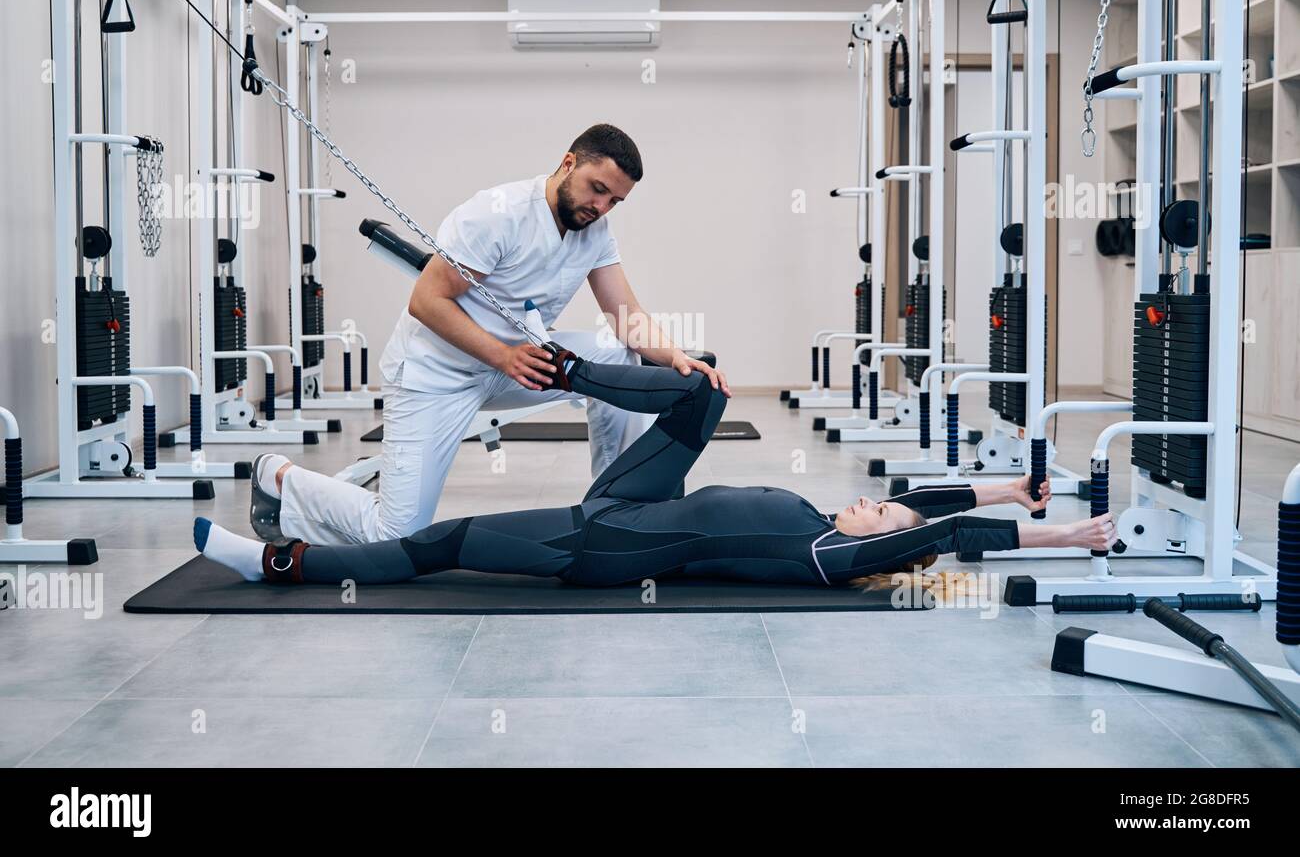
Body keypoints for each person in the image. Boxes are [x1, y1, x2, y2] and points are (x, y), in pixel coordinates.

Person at [201, 352, 1116, 588]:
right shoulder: (830, 516)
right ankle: (573, 371)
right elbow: (928, 502)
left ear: (884, 551)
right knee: (704, 393)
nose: (876, 503)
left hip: (606, 542)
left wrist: (1063, 533)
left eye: (882, 517)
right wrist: (1010, 485)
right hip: (638, 497)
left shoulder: (824, 557)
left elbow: (941, 532)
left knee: (436, 544)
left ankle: (279, 563)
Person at [255, 124, 729, 547]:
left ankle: (616, 509)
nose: (600, 207)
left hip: (512, 367)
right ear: (568, 163)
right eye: (597, 189)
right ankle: (280, 479)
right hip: (435, 375)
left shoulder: (596, 233)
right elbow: (426, 302)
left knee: (617, 353)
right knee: (396, 534)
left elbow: (626, 316)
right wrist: (503, 357)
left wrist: (676, 360)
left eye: (614, 202)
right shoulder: (496, 213)